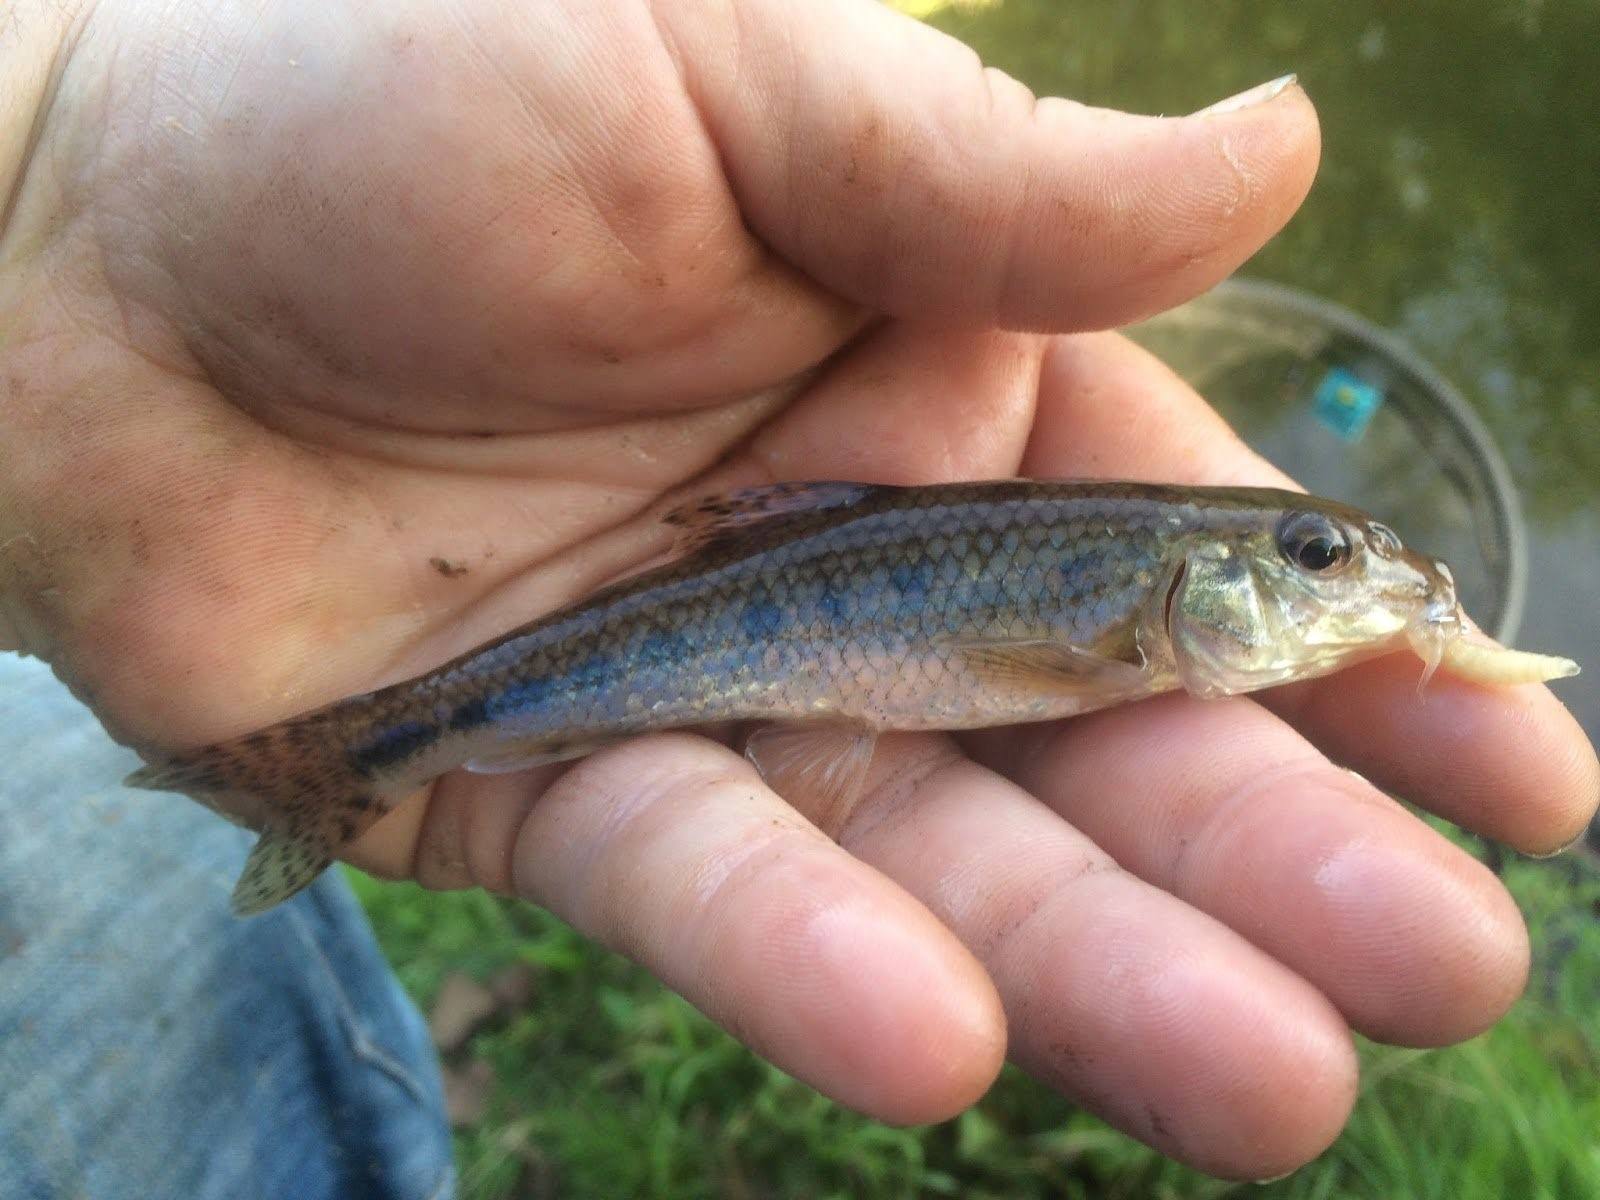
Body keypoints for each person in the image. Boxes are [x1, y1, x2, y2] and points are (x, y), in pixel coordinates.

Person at [1, 0, 1595, 1192]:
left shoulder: (1131, 612)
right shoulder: (1116, 618)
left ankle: (355, 761)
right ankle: (359, 755)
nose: (1342, 587)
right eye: (1311, 565)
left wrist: (46, 151)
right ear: (1192, 588)